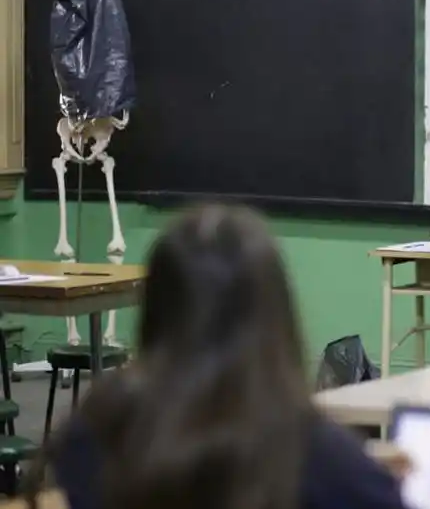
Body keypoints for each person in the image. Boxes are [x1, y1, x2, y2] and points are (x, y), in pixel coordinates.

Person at [23, 205, 409, 509]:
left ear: (156, 310)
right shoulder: (318, 456)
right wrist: (370, 478)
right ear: (276, 314)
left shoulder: (97, 432)